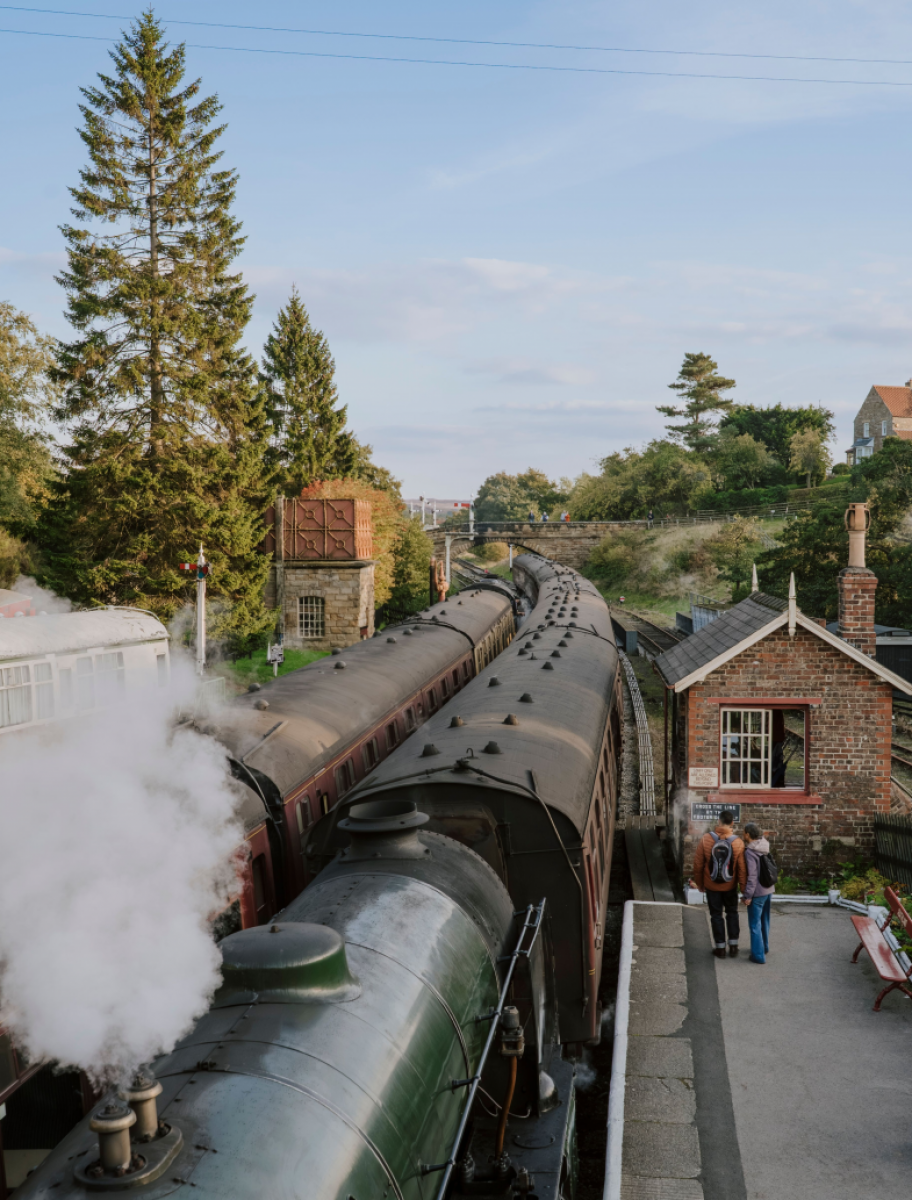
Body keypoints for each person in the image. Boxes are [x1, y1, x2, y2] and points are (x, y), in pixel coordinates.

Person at [691, 809, 746, 958]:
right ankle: (733, 946)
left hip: (711, 885)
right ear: (732, 823)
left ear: (719, 822)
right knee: (732, 913)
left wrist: (700, 884)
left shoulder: (706, 839)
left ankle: (720, 948)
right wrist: (744, 890)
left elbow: (698, 865)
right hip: (730, 886)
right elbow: (741, 869)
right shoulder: (738, 842)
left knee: (716, 915)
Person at [742, 822, 775, 964]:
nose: (743, 835)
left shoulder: (750, 852)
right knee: (765, 920)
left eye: (744, 833)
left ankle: (758, 955)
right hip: (769, 889)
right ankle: (764, 947)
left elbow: (752, 876)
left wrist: (747, 896)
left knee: (754, 924)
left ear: (748, 835)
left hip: (757, 893)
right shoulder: (764, 845)